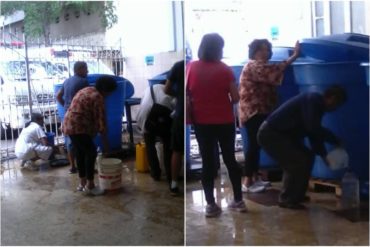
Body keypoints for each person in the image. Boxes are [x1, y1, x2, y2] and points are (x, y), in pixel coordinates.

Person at [257, 85, 347, 209]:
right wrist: (333, 141)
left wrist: (323, 154)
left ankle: (296, 195)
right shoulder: (314, 101)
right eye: (337, 104)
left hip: (282, 135)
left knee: (307, 157)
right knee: (295, 162)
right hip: (271, 134)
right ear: (332, 98)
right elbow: (313, 129)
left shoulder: (316, 103)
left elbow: (313, 132)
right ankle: (287, 199)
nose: (335, 108)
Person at [186, 33, 246, 217]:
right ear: (219, 49)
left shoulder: (191, 67)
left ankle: (211, 205)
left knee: (208, 163)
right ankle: (239, 201)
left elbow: (187, 92)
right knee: (230, 160)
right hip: (225, 122)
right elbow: (235, 98)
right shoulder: (225, 70)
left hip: (202, 123)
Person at [238, 39, 300, 193]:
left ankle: (255, 177)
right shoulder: (253, 65)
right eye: (261, 50)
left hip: (261, 110)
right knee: (253, 145)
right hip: (253, 111)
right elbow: (273, 70)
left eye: (267, 50)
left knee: (257, 144)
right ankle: (247, 181)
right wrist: (294, 56)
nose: (265, 53)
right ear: (254, 52)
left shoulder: (258, 65)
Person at [62, 75, 117, 196]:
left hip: (68, 124)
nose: (109, 95)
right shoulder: (98, 97)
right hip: (78, 126)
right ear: (106, 89)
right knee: (91, 152)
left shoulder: (86, 89)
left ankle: (82, 184)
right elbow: (101, 124)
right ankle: (90, 185)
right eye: (110, 92)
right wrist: (107, 148)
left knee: (80, 153)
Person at [136, 83, 175, 183]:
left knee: (150, 146)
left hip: (146, 119)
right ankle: (170, 176)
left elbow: (142, 104)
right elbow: (175, 109)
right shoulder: (169, 91)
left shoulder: (148, 89)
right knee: (167, 147)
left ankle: (155, 173)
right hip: (164, 119)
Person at [56, 61, 89, 174]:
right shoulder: (83, 81)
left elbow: (58, 95)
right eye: (85, 69)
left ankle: (73, 167)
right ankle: (84, 168)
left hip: (67, 115)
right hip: (79, 115)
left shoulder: (67, 81)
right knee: (83, 142)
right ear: (79, 69)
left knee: (70, 142)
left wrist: (66, 105)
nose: (87, 71)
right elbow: (86, 97)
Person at [164, 60, 184, 196]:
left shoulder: (178, 66)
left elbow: (167, 89)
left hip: (181, 112)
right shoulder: (196, 65)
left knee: (177, 149)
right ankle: (209, 178)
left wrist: (179, 95)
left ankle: (174, 184)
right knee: (206, 147)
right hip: (200, 112)